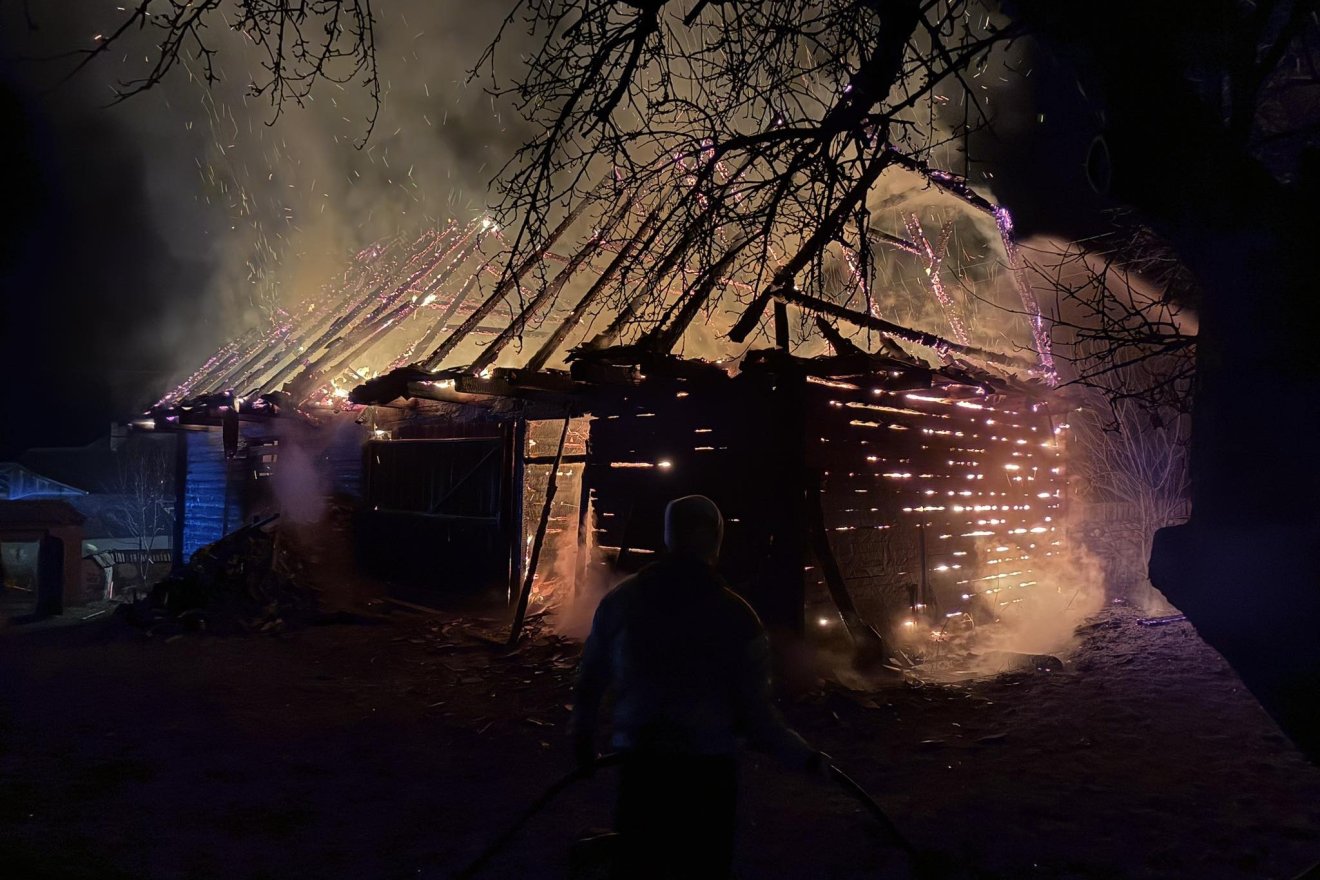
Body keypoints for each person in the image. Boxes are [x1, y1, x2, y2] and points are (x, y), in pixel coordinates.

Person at [571, 494, 826, 880]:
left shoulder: (621, 603)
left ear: (668, 536)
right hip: (707, 776)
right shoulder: (736, 617)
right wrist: (805, 757)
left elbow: (590, 679)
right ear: (716, 539)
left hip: (641, 771)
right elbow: (758, 717)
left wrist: (581, 740)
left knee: (641, 867)